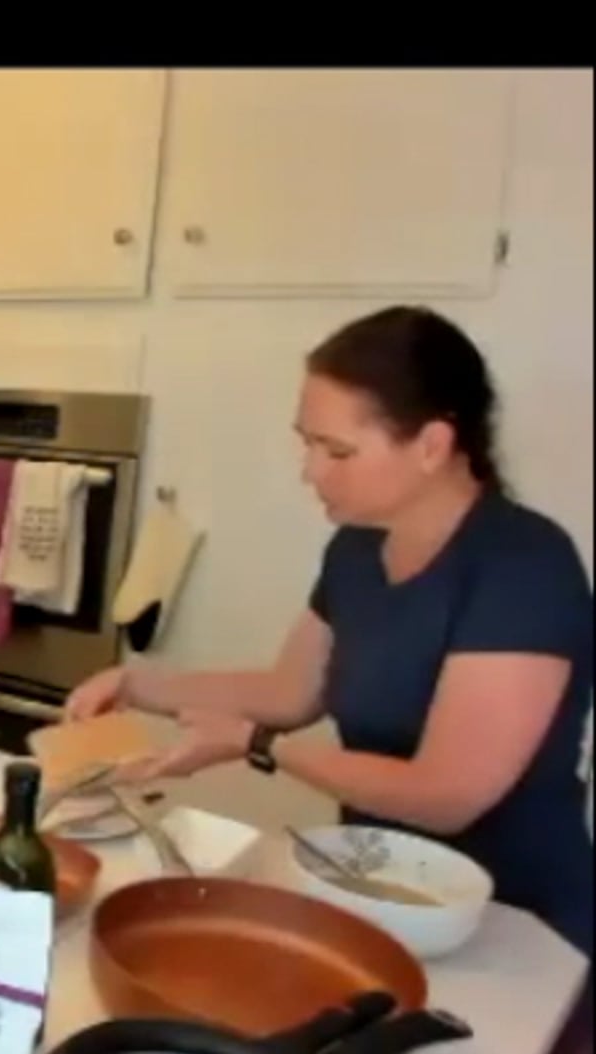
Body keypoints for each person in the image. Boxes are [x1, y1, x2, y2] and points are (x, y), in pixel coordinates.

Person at [67, 305, 593, 962]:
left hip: (517, 929)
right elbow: (291, 690)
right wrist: (138, 683)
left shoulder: (524, 566)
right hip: (376, 895)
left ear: (432, 445)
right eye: (307, 443)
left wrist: (262, 747)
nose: (310, 471)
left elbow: (446, 793)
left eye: (337, 450)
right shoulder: (355, 551)